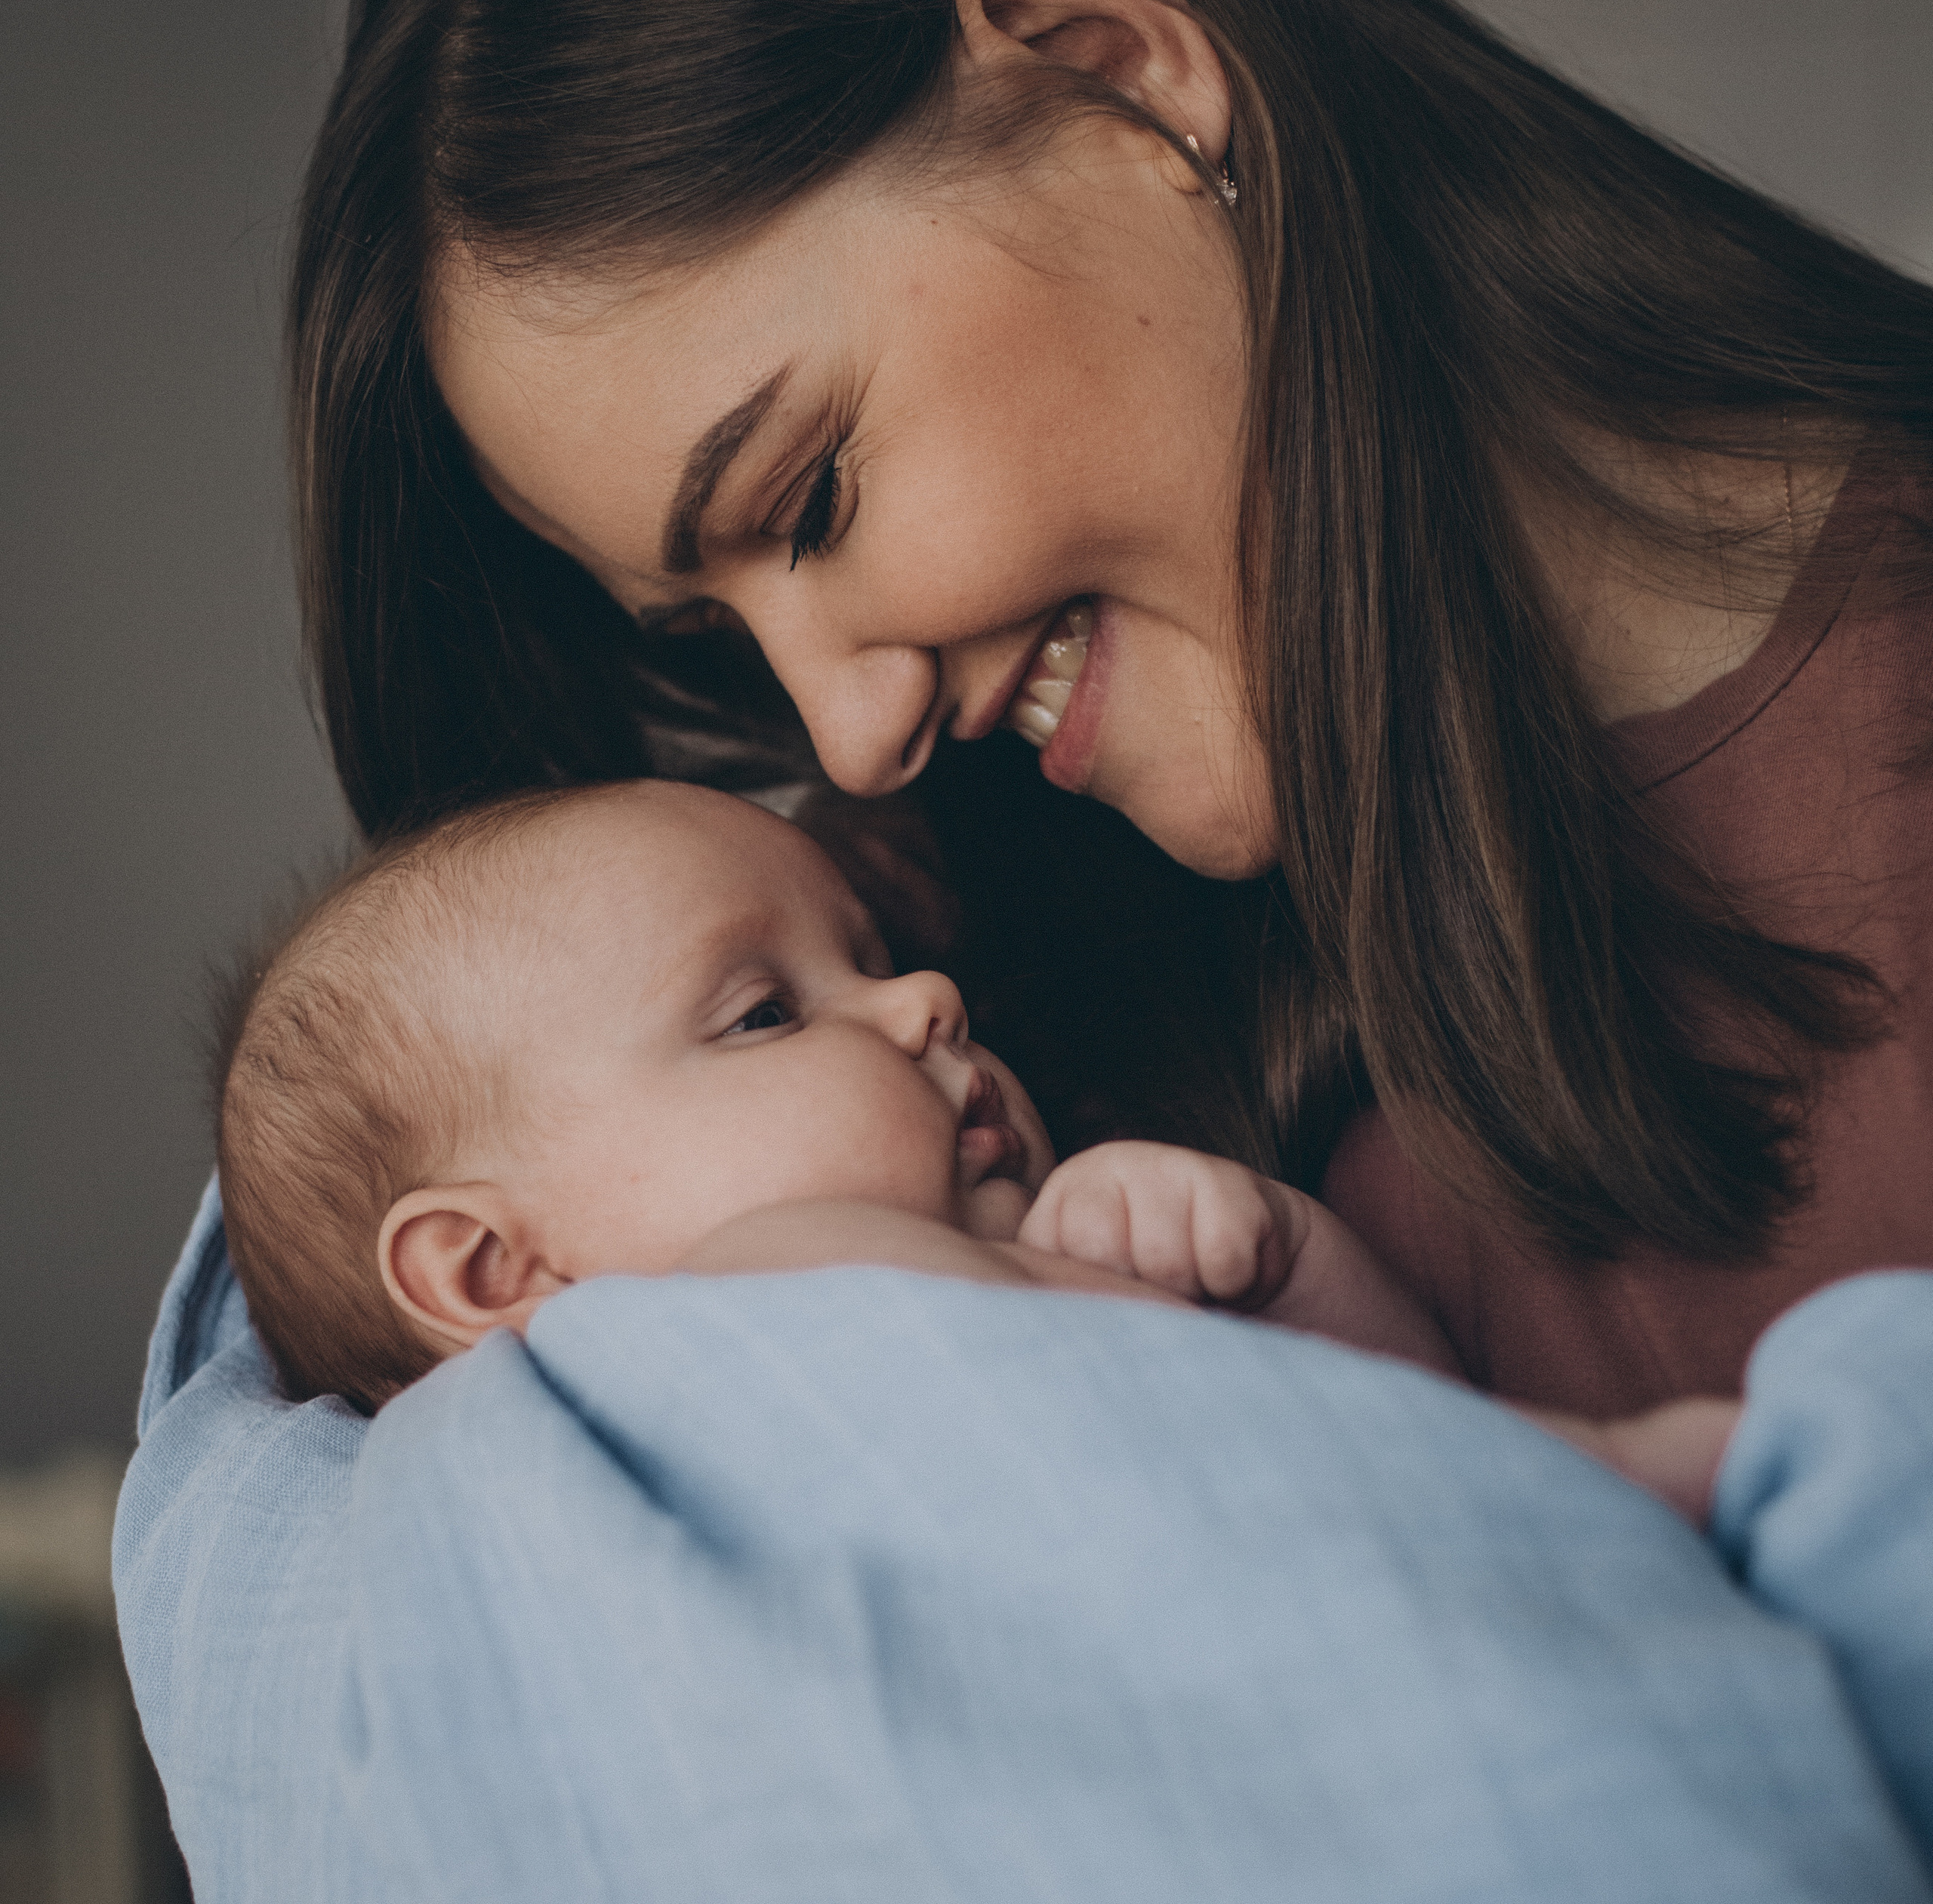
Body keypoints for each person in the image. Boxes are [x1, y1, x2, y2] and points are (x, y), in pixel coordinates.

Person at [291, 0, 1933, 1421]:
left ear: (1123, 78)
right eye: (717, 631)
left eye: (808, 501)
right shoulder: (905, 942)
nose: (850, 734)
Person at [215, 777, 1734, 1516]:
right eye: (761, 1012)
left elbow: (1378, 1431)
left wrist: (1285, 1268)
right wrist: (1605, 1467)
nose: (923, 996)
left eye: (871, 948)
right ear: (492, 1266)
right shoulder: (697, 1335)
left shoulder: (1023, 1266)